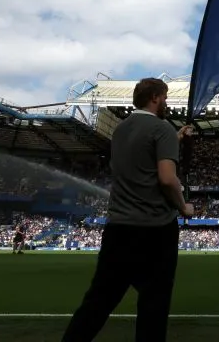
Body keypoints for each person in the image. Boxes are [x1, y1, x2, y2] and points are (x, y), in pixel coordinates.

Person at [62, 77, 194, 342]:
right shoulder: (162, 128)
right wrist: (183, 207)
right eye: (165, 97)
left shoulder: (120, 130)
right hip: (155, 230)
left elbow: (141, 157)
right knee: (154, 304)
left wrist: (175, 138)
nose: (166, 102)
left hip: (118, 228)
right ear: (155, 97)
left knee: (98, 301)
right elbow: (167, 178)